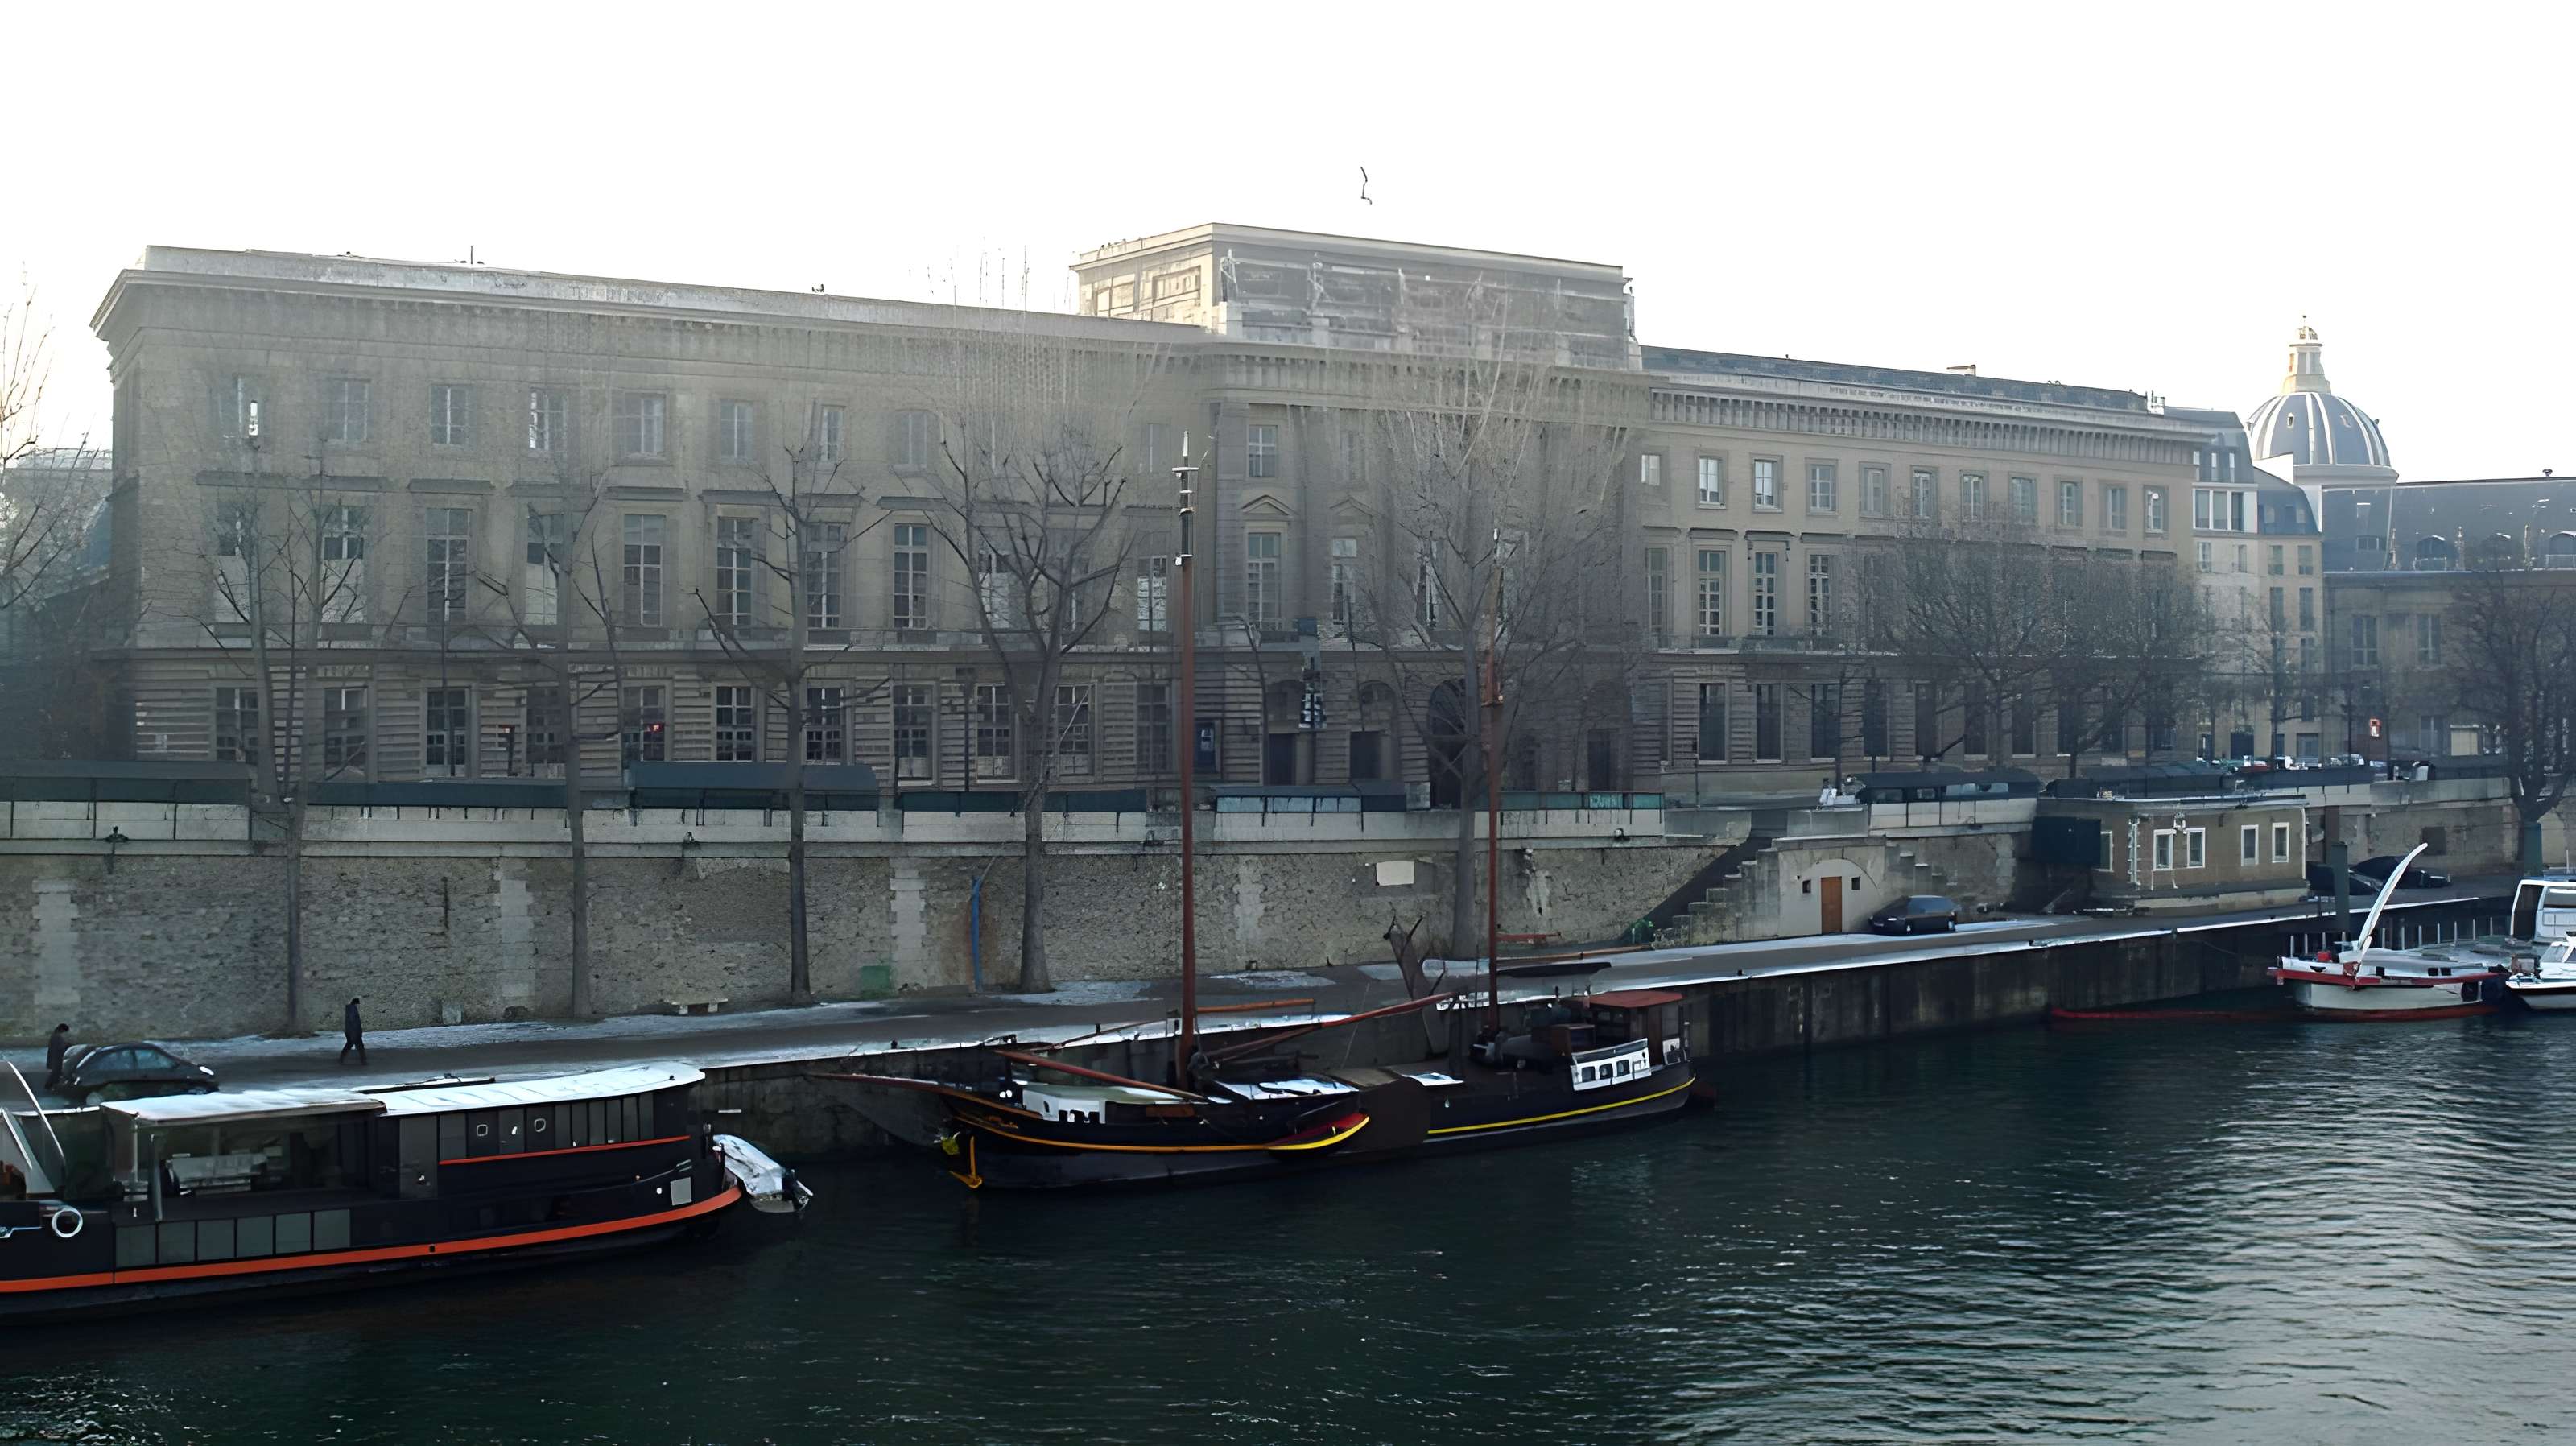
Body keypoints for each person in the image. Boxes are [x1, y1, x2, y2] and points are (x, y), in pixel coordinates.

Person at [339, 998, 368, 1066]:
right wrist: (355, 1032)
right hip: (354, 1031)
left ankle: (342, 1058)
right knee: (359, 1046)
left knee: (350, 1045)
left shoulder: (349, 1009)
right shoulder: (353, 1009)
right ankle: (363, 1060)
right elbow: (353, 1021)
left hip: (351, 1031)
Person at [43, 1023, 71, 1092]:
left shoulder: (55, 1035)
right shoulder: (57, 1037)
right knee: (56, 1072)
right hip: (57, 1057)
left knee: (56, 1072)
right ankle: (49, 1086)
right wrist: (67, 1045)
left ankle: (51, 1086)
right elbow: (60, 1047)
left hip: (55, 1056)